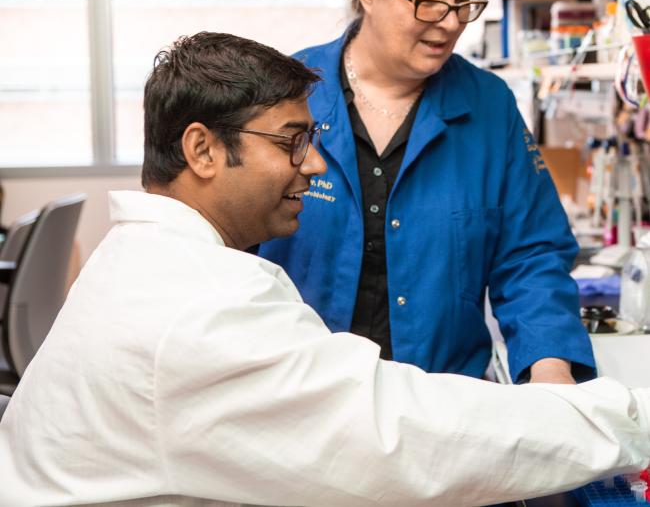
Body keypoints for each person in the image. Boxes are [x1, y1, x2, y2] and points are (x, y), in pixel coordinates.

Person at [1, 31, 649, 507]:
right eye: (292, 143)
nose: (314, 166)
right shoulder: (199, 310)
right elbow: (405, 436)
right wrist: (629, 419)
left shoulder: (143, 262)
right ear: (202, 149)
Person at [259, 0, 594, 385]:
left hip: (442, 404)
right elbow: (232, 243)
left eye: (465, 2)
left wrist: (550, 369)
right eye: (431, 0)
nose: (453, 21)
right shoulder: (287, 92)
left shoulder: (488, 107)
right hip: (301, 397)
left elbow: (531, 255)